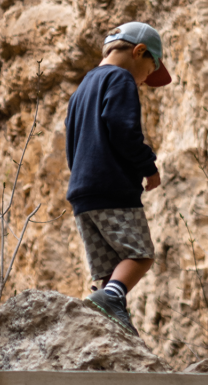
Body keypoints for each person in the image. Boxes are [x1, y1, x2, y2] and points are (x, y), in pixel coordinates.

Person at [65, 22, 171, 335]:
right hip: (112, 188)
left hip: (83, 196)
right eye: (149, 71)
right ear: (139, 52)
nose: (145, 81)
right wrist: (148, 167)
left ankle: (104, 325)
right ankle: (111, 303)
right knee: (139, 255)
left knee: (109, 272)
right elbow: (123, 130)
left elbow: (72, 145)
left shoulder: (81, 91)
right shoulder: (120, 78)